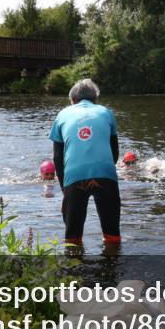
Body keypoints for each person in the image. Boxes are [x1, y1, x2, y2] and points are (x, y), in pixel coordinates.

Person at [48, 79, 121, 246]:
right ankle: (112, 266)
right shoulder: (106, 112)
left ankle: (74, 268)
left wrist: (65, 190)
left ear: (72, 100)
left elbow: (58, 158)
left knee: (72, 239)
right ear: (95, 99)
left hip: (75, 176)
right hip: (105, 174)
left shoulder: (62, 114)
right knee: (112, 236)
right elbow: (114, 153)